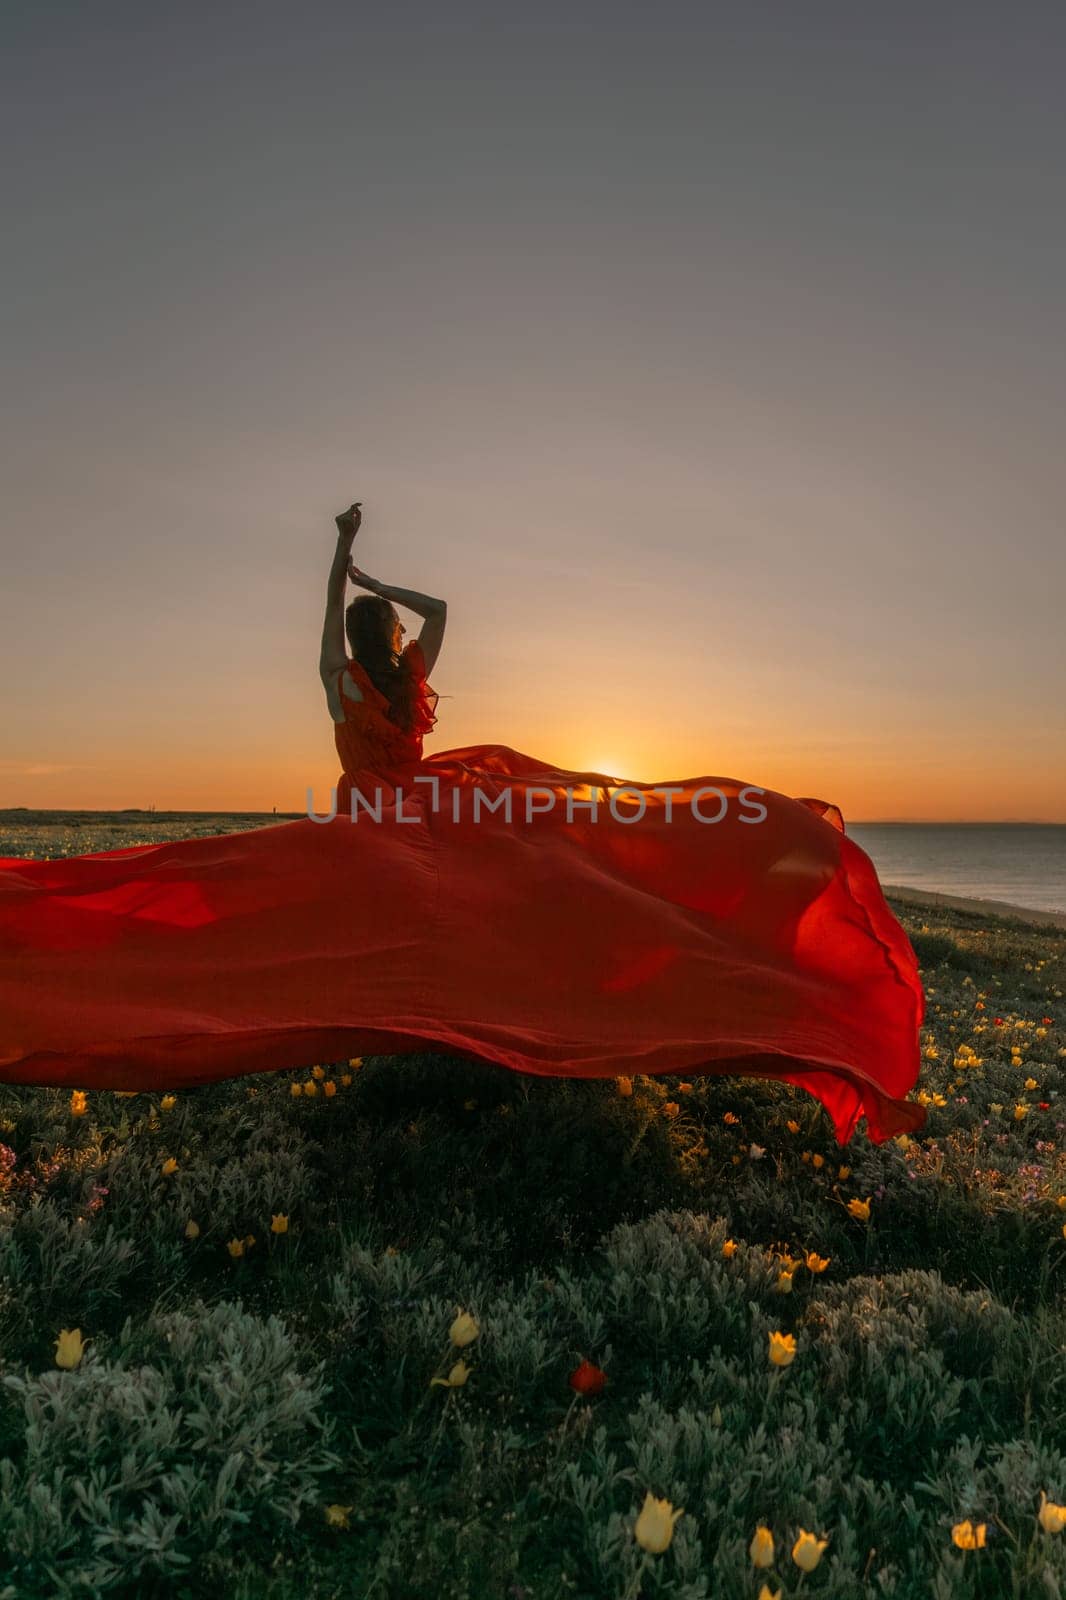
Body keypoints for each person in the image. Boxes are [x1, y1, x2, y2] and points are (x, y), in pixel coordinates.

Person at [0, 500, 926, 1144]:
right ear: (394, 642)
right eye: (395, 634)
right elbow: (439, 610)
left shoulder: (347, 685)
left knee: (355, 925)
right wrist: (380, 577)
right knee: (491, 909)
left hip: (376, 816)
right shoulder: (402, 684)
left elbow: (332, 623)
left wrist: (340, 561)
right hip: (429, 809)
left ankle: (446, 1034)